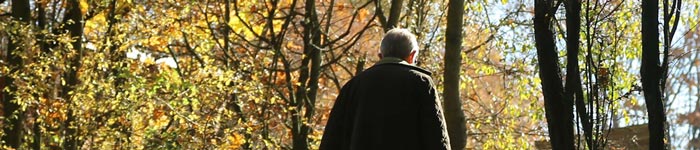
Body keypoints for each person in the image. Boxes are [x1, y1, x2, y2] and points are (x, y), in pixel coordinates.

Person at [320, 28, 451, 150]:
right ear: (412, 55)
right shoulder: (421, 82)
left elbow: (332, 138)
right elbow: (437, 137)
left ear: (380, 55)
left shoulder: (353, 86)